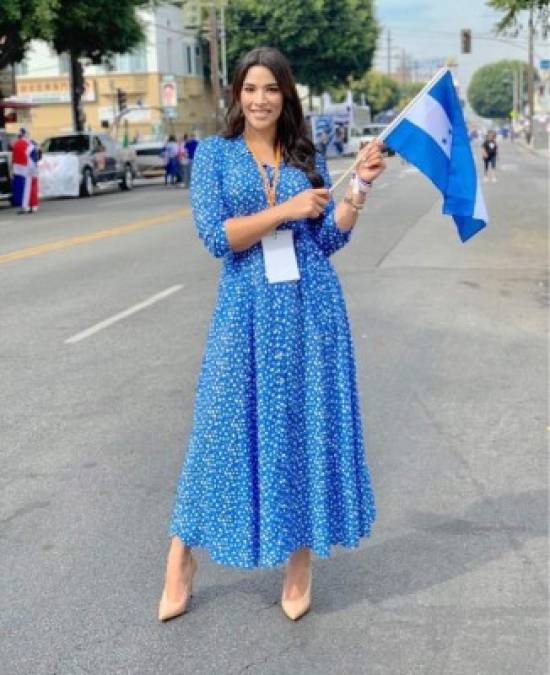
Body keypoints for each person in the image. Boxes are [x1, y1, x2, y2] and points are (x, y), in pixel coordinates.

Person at [158, 47, 385, 623]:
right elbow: (218, 237)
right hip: (244, 315)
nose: (260, 99)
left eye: (272, 89)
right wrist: (286, 209)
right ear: (237, 95)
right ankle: (182, 555)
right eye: (250, 88)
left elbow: (328, 240)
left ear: (287, 97)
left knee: (303, 431)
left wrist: (357, 187)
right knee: (217, 431)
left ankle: (299, 561)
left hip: (311, 313)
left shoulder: (306, 158)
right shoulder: (214, 155)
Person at [11, 128, 39, 214]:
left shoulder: (18, 144)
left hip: (24, 169)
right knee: (32, 187)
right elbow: (35, 157)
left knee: (25, 188)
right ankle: (33, 206)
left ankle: (25, 207)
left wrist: (14, 169)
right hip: (30, 168)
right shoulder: (31, 143)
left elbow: (15, 158)